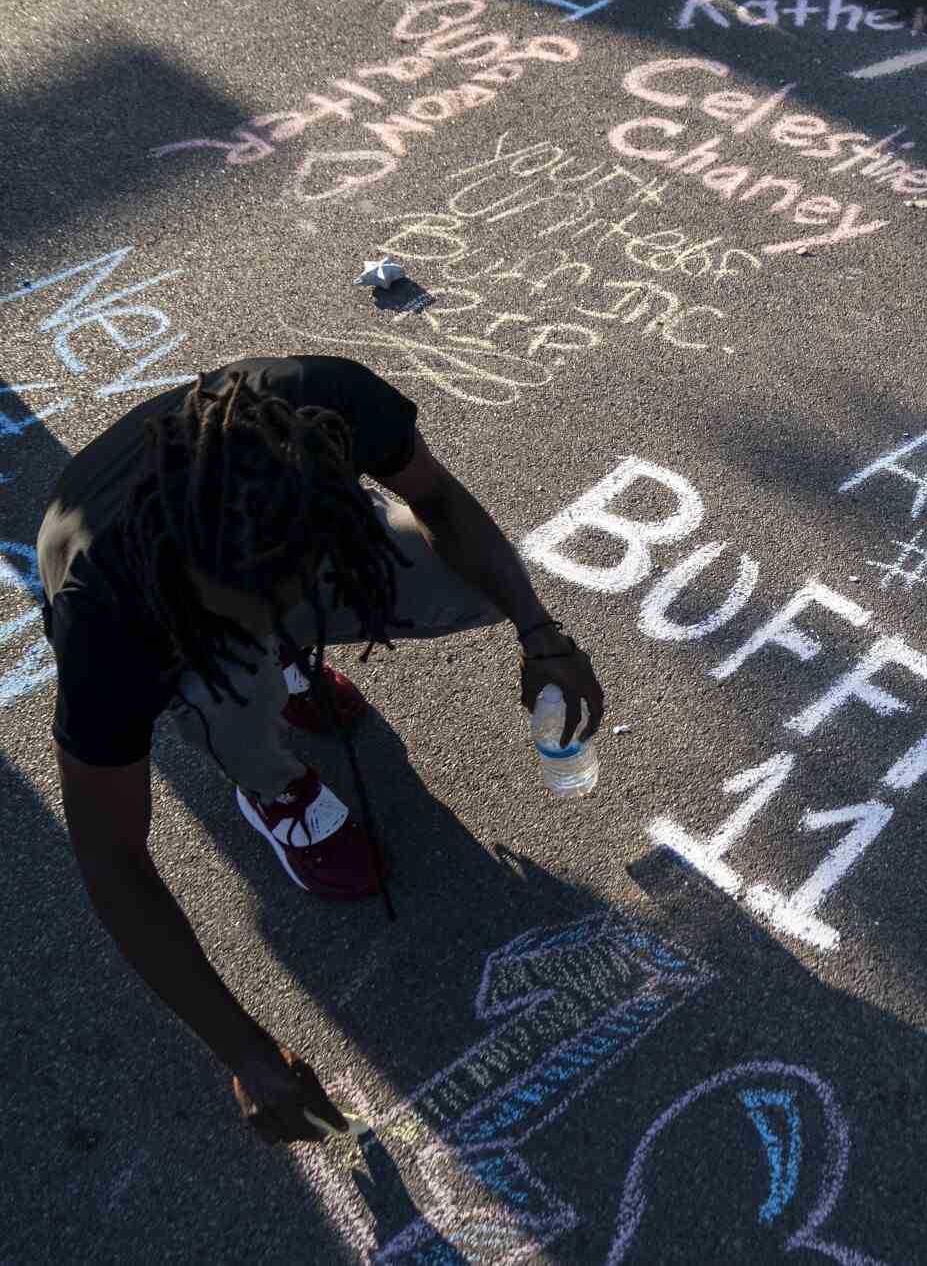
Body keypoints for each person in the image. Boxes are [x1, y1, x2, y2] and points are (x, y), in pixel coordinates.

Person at [37, 355, 606, 1146]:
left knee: (477, 577)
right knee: (228, 672)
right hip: (150, 588)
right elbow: (110, 857)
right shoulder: (108, 619)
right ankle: (272, 783)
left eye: (291, 586)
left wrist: (540, 634)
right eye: (257, 602)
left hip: (259, 542)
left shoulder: (322, 412)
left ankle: (273, 647)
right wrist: (241, 1049)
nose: (279, 606)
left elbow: (436, 496)